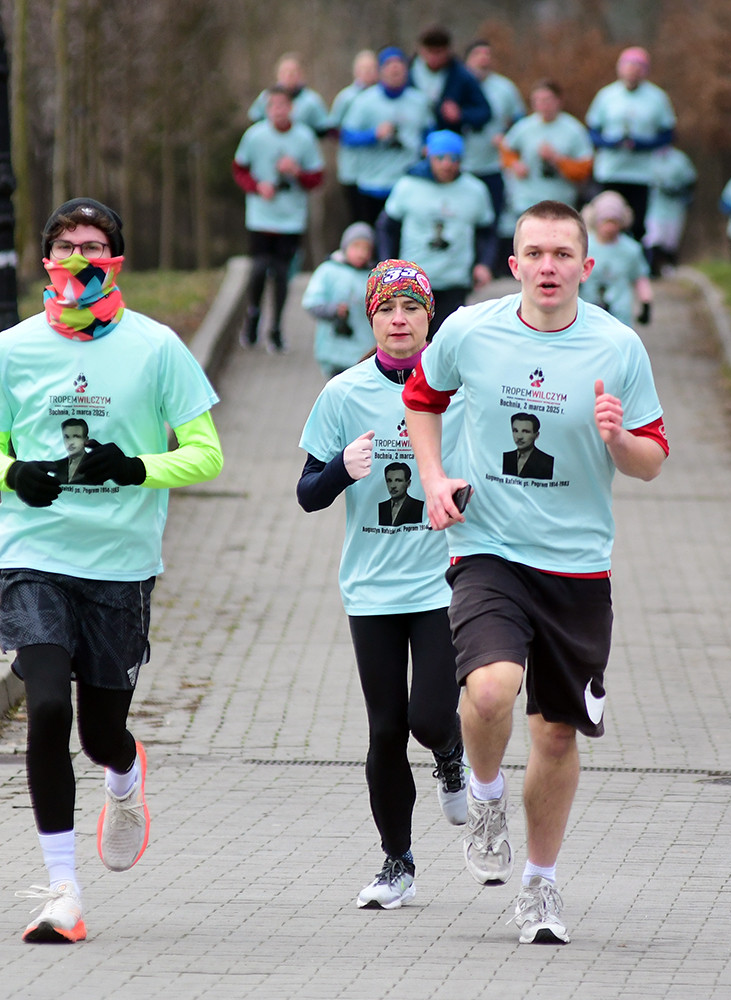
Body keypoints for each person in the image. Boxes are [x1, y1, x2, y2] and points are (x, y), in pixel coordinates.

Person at [402, 201, 669, 945]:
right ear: (513, 263)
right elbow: (421, 397)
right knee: (491, 688)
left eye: (563, 254)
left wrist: (619, 441)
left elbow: (652, 460)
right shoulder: (469, 330)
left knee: (554, 736)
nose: (548, 267)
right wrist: (433, 477)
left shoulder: (618, 346)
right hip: (488, 546)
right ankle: (485, 795)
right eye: (536, 253)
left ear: (587, 266)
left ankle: (539, 886)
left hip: (577, 566)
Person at [0, 198, 225, 943]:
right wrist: (13, 474)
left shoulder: (157, 348)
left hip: (119, 563)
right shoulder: (11, 349)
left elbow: (206, 453)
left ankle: (125, 770)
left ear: (116, 259)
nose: (79, 259)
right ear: (47, 260)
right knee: (47, 707)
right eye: (65, 246)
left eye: (94, 245)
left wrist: (137, 466)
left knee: (99, 733)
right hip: (34, 555)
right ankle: (64, 891)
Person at [297, 259, 468, 911]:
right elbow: (308, 494)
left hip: (442, 581)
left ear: (430, 318)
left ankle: (450, 751)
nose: (399, 320)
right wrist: (341, 468)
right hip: (370, 588)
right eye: (386, 309)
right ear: (370, 319)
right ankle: (398, 862)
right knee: (385, 729)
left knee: (429, 716)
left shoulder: (459, 390)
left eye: (411, 308)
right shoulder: (343, 394)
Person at [376, 130, 495, 335]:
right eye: (440, 158)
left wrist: (484, 264)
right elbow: (386, 228)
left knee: (447, 337)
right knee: (415, 338)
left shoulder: (475, 190)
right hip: (413, 280)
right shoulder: (408, 185)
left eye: (453, 158)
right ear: (428, 155)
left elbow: (487, 231)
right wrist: (388, 265)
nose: (447, 164)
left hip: (455, 278)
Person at [233, 88, 325, 351]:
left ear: (291, 108)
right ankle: (253, 316)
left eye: (282, 105)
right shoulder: (254, 136)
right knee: (259, 269)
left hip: (291, 219)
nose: (278, 110)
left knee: (282, 273)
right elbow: (239, 169)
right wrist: (257, 187)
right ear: (266, 109)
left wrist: (296, 172)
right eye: (273, 106)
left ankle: (276, 328)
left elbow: (316, 178)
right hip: (261, 217)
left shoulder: (304, 137)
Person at [585, 46, 676, 243]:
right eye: (629, 66)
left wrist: (644, 145)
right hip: (610, 170)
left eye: (638, 67)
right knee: (606, 218)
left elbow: (668, 134)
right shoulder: (607, 95)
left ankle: (636, 257)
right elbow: (592, 131)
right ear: (620, 69)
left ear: (645, 71)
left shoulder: (657, 98)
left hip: (641, 173)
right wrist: (609, 143)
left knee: (637, 224)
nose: (633, 72)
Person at [338, 47, 434, 230]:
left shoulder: (419, 101)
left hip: (406, 182)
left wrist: (427, 146)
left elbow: (429, 132)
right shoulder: (364, 101)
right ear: (380, 71)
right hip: (372, 182)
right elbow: (347, 137)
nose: (395, 69)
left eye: (399, 65)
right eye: (389, 65)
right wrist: (373, 134)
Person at [460, 40, 525, 272]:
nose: (483, 58)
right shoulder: (458, 85)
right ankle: (467, 263)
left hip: (494, 165)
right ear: (467, 59)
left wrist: (507, 136)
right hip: (462, 165)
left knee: (494, 217)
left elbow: (520, 121)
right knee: (465, 216)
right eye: (478, 54)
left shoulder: (504, 88)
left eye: (487, 54)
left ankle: (491, 266)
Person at [499, 80, 593, 220]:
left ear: (559, 101)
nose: (542, 105)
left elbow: (584, 169)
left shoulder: (573, 129)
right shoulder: (524, 127)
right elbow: (506, 149)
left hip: (560, 203)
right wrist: (515, 164)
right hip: (527, 200)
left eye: (547, 100)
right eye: (537, 100)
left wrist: (557, 159)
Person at [302, 221, 376, 377]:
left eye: (366, 248)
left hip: (364, 353)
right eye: (356, 246)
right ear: (345, 246)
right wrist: (332, 310)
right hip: (333, 351)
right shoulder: (328, 270)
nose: (361, 253)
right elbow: (311, 302)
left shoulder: (373, 276)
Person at [579, 190, 652, 328]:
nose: (610, 228)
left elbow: (640, 277)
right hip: (588, 313)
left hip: (620, 316)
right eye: (605, 221)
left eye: (614, 222)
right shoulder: (584, 245)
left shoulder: (631, 249)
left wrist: (646, 302)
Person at [410, 24, 490, 137]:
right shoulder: (407, 73)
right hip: (413, 140)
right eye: (430, 51)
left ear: (448, 51)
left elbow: (484, 111)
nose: (434, 58)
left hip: (449, 140)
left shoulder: (461, 76)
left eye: (439, 52)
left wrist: (461, 114)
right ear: (421, 50)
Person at [330, 50, 381, 224]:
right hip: (352, 170)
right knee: (358, 219)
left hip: (378, 170)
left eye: (372, 68)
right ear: (355, 71)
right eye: (364, 69)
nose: (368, 73)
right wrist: (368, 137)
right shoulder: (346, 98)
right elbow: (334, 130)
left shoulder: (382, 96)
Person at [643, 144, 697, 276]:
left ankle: (668, 266)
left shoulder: (679, 159)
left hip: (674, 207)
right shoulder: (648, 157)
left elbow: (690, 180)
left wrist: (681, 192)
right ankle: (651, 267)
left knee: (671, 239)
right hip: (654, 206)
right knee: (654, 237)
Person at [246, 52, 331, 135]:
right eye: (284, 72)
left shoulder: (312, 101)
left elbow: (322, 129)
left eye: (292, 73)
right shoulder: (266, 97)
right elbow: (255, 121)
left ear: (301, 74)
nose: (288, 76)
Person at [501, 412, 555, 479]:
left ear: (536, 435)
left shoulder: (547, 461)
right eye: (515, 431)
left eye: (525, 431)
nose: (519, 437)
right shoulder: (505, 457)